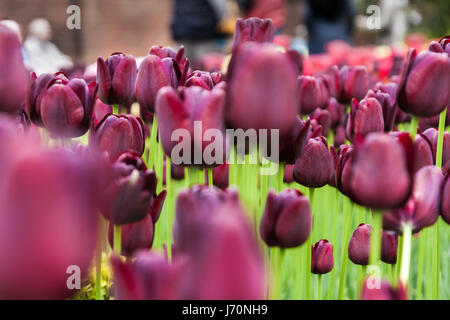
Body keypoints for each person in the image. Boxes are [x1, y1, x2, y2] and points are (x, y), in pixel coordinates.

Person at [171, 0, 227, 65]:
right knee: (205, 70)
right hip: (204, 33)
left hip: (185, 32)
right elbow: (220, 8)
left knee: (182, 68)